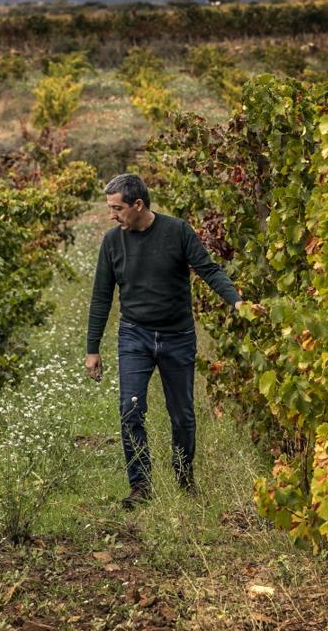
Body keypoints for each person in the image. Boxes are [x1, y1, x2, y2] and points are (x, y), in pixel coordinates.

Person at [85, 173, 243, 509]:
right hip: (134, 335)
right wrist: (92, 348)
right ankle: (140, 487)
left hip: (177, 336)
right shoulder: (113, 242)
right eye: (110, 208)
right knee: (130, 410)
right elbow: (101, 296)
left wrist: (236, 301)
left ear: (138, 205)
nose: (112, 215)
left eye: (117, 208)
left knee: (182, 414)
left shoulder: (177, 232)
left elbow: (209, 269)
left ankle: (185, 480)